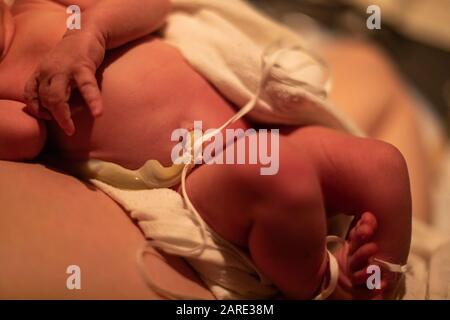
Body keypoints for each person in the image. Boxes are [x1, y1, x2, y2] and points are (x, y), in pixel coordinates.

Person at [0, 0, 415, 299]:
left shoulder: (41, 6)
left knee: (383, 164)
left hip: (248, 121)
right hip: (203, 170)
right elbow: (26, 137)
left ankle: (376, 280)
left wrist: (89, 32)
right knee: (282, 175)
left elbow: (155, 6)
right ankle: (325, 284)